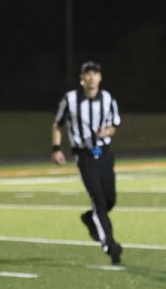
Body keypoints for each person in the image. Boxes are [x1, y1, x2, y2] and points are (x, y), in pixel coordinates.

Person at [52, 61, 123, 264]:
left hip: (106, 154)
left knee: (110, 200)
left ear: (100, 77)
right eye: (87, 74)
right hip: (84, 156)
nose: (91, 78)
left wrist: (107, 131)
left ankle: (89, 218)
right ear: (81, 78)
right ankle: (109, 245)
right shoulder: (71, 99)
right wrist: (56, 149)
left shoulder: (108, 98)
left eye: (95, 74)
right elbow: (57, 124)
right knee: (99, 201)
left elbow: (115, 126)